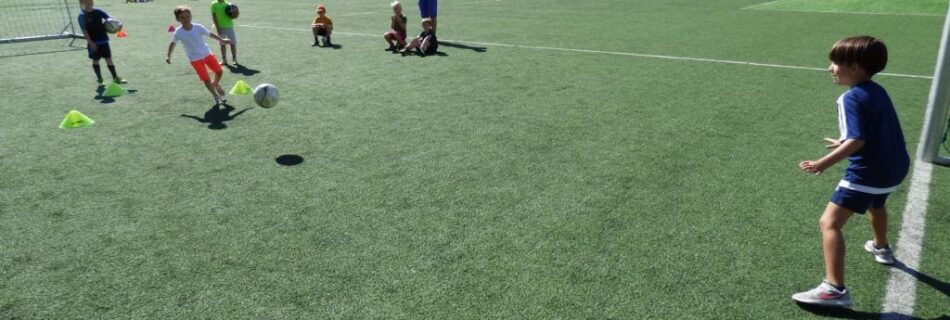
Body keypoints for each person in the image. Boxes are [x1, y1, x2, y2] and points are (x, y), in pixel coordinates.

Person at [792, 36, 910, 308]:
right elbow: (874, 131)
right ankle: (881, 247)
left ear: (855, 67)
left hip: (868, 173)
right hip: (895, 168)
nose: (830, 68)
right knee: (876, 205)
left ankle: (834, 289)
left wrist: (824, 162)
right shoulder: (877, 90)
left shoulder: (849, 98)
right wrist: (843, 141)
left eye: (835, 63)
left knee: (829, 223)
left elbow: (858, 141)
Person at [165, 5, 232, 105]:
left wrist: (221, 40)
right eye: (182, 17)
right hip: (195, 59)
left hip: (207, 54)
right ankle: (216, 96)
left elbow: (210, 34)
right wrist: (168, 56)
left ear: (191, 16)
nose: (185, 19)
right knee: (206, 79)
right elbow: (172, 44)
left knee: (219, 71)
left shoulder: (198, 27)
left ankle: (215, 84)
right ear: (177, 19)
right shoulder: (178, 32)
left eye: (187, 16)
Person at [78, 0, 126, 85]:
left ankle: (115, 78)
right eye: (86, 1)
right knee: (96, 60)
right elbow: (84, 31)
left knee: (109, 59)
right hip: (93, 43)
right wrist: (91, 43)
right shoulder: (82, 16)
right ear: (82, 3)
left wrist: (118, 24)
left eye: (90, 1)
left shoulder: (98, 11)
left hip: (104, 40)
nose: (89, 3)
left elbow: (109, 19)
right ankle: (100, 79)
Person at [211, 0, 238, 65]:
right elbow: (214, 17)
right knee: (222, 44)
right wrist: (217, 27)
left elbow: (234, 16)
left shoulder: (228, 4)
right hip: (220, 27)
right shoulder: (213, 4)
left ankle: (234, 59)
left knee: (232, 43)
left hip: (229, 26)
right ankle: (224, 60)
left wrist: (235, 14)